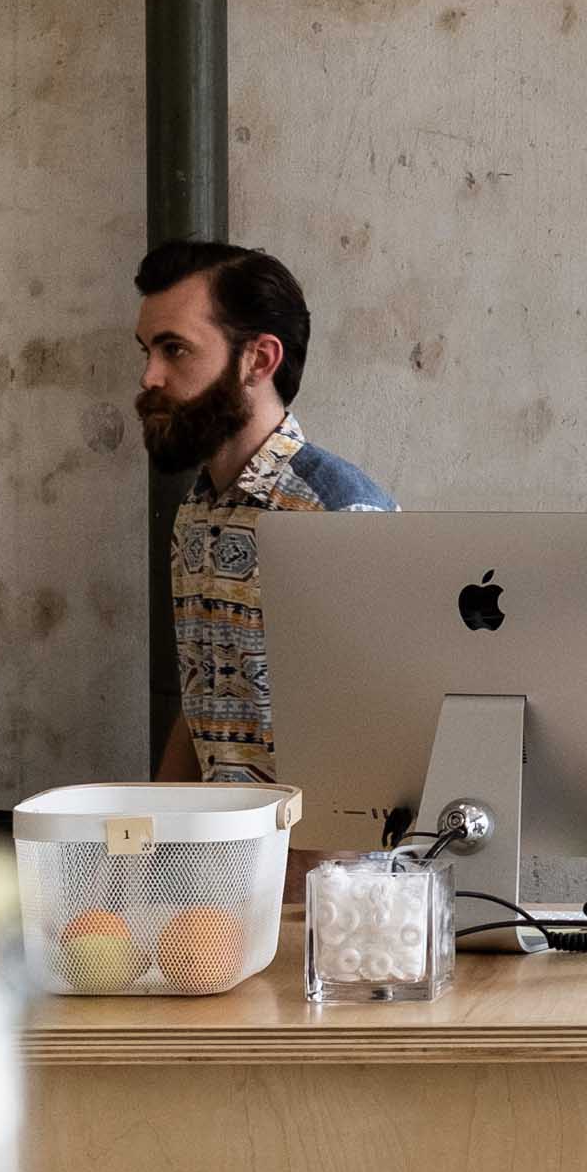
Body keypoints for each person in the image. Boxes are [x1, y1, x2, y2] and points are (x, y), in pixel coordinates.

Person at [134, 241, 395, 783]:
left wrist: (301, 856)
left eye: (174, 349)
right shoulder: (197, 513)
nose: (150, 376)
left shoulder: (337, 515)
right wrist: (155, 829)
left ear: (259, 359)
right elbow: (203, 703)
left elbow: (387, 730)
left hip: (318, 841)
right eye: (147, 351)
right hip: (216, 838)